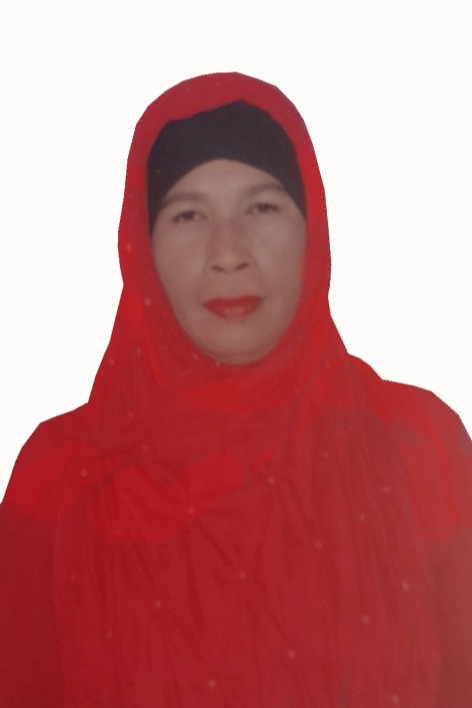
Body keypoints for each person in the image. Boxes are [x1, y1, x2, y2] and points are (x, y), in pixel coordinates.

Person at [0, 72, 471, 707]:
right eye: (188, 214)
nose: (228, 253)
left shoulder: (417, 444)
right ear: (142, 247)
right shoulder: (62, 475)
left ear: (313, 230)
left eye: (262, 207)